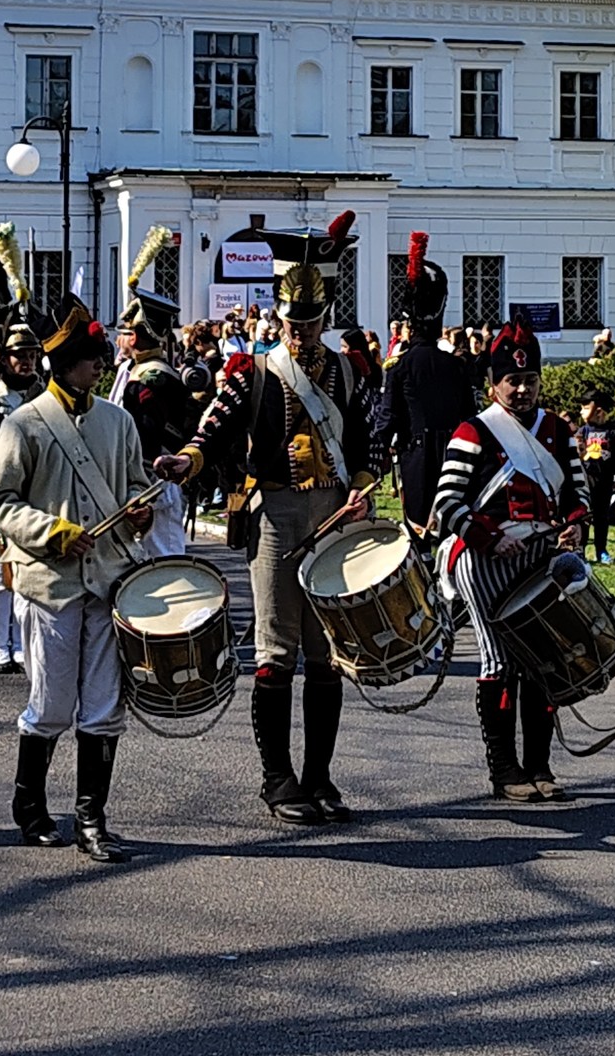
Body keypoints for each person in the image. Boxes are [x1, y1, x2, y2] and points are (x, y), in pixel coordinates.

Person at [157, 216, 374, 827]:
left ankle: (319, 776)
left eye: (309, 319)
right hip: (277, 513)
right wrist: (188, 459)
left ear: (325, 316)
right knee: (277, 650)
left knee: (328, 653)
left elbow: (364, 442)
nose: (300, 329)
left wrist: (360, 489)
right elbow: (216, 426)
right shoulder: (254, 371)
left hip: (334, 513)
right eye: (292, 319)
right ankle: (278, 779)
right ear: (277, 315)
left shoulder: (350, 369)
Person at [0, 295, 154, 861]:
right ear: (63, 363)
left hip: (107, 580)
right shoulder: (23, 425)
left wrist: (138, 511)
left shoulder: (119, 421)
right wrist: (53, 531)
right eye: (88, 359)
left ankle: (91, 819)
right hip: (50, 582)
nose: (99, 367)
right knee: (53, 704)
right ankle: (29, 806)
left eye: (100, 357)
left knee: (105, 706)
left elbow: (134, 484)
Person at [432, 317, 589, 803]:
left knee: (545, 658)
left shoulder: (557, 430)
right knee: (499, 659)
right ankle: (505, 769)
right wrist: (487, 537)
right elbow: (447, 504)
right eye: (512, 381)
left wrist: (576, 522)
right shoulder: (474, 432)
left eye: (529, 380)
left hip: (540, 555)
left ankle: (540, 765)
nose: (522, 390)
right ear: (493, 384)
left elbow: (579, 491)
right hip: (484, 560)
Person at [373, 232, 479, 535]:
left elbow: (388, 419)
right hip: (455, 457)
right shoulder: (457, 366)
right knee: (450, 529)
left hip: (416, 456)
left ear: (408, 325)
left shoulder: (399, 367)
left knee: (419, 535)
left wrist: (373, 460)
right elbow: (470, 417)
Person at [0, 308, 45, 671]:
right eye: (20, 355)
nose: (27, 362)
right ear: (4, 357)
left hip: (33, 495)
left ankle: (22, 641)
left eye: (32, 355)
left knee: (28, 573)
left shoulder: (45, 396)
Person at [109, 250, 190, 559]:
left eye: (125, 333)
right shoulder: (132, 370)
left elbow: (146, 437)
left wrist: (139, 485)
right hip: (137, 480)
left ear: (137, 336)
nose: (120, 339)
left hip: (153, 482)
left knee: (165, 562)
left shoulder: (152, 377)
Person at [573, 390, 615, 564]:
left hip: (605, 482)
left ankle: (601, 550)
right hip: (586, 482)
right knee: (584, 517)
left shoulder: (614, 432)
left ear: (599, 411)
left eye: (585, 407)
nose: (581, 411)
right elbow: (575, 455)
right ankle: (580, 550)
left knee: (601, 517)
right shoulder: (582, 432)